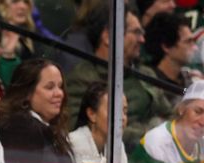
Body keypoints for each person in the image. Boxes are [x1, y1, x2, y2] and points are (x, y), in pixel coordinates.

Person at [64, 4, 173, 152]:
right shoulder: (83, 78)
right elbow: (81, 129)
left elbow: (170, 117)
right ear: (108, 37)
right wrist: (148, 133)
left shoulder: (146, 74)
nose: (142, 39)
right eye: (136, 32)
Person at [0, 58, 75, 163]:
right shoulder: (20, 129)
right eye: (49, 87)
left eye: (60, 86)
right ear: (27, 93)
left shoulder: (49, 127)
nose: (59, 93)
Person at [130, 79, 204, 163]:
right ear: (181, 109)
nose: (202, 122)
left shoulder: (202, 143)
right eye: (198, 112)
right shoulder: (157, 143)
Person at [68, 82, 129, 163]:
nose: (122, 117)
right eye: (114, 111)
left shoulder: (118, 146)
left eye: (125, 111)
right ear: (92, 114)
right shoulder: (74, 144)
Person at [144, 12, 201, 105]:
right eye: (188, 42)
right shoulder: (149, 83)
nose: (194, 47)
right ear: (166, 46)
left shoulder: (189, 80)